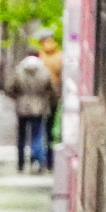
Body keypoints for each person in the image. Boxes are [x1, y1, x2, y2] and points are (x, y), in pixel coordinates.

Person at [4, 49, 59, 173]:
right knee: (37, 134)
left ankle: (21, 163)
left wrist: (18, 98)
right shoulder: (44, 72)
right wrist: (47, 100)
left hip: (22, 107)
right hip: (38, 108)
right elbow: (53, 90)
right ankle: (38, 160)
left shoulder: (19, 71)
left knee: (22, 136)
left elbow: (9, 88)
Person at [38, 31, 64, 170]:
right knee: (50, 128)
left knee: (37, 129)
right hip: (53, 97)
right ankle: (50, 161)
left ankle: (38, 158)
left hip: (39, 97)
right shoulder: (60, 56)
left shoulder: (40, 56)